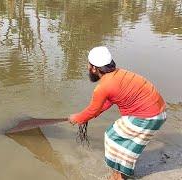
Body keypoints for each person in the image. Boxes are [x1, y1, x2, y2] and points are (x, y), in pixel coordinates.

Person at [69, 46, 166, 180]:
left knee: (111, 136)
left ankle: (117, 176)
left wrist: (77, 118)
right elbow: (108, 102)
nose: (87, 68)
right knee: (129, 142)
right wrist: (86, 116)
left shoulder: (103, 87)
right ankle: (122, 173)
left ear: (94, 68)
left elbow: (92, 109)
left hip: (147, 117)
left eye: (88, 64)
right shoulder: (119, 74)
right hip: (159, 114)